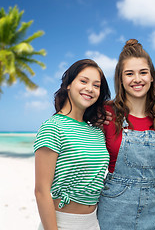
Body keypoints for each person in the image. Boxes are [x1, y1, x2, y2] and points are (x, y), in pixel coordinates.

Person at [97, 39, 155, 229]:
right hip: (113, 208)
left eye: (143, 72)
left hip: (154, 208)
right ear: (120, 79)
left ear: (152, 77)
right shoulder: (105, 113)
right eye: (129, 74)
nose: (137, 79)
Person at [34, 59, 111, 230]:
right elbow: (41, 191)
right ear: (68, 84)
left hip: (93, 222)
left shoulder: (97, 132)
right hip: (61, 223)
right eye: (83, 81)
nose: (89, 89)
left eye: (96, 85)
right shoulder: (53, 127)